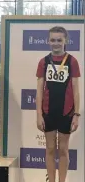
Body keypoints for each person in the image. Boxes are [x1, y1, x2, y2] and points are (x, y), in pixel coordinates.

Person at [36, 26, 80, 182]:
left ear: (65, 41)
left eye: (59, 40)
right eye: (53, 40)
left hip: (66, 112)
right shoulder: (43, 62)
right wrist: (39, 115)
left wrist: (76, 114)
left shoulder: (72, 61)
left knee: (63, 149)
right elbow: (39, 90)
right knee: (49, 149)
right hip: (48, 112)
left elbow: (76, 90)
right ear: (48, 41)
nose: (56, 43)